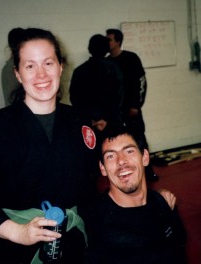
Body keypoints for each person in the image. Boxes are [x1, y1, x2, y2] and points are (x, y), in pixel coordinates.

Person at [0, 27, 98, 264]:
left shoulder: (78, 121)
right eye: (30, 66)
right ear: (18, 74)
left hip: (71, 244)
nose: (41, 74)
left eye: (48, 63)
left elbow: (94, 185)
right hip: (11, 248)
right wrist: (17, 232)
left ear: (60, 67)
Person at [83, 126, 187, 264]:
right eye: (111, 156)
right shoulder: (99, 222)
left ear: (144, 157)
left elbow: (179, 249)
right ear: (103, 168)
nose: (121, 161)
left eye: (129, 151)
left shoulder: (162, 202)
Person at [106, 28, 158, 181]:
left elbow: (141, 82)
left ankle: (148, 173)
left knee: (139, 141)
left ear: (118, 42)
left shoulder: (131, 58)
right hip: (116, 112)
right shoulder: (107, 62)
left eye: (109, 39)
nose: (107, 42)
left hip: (132, 110)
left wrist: (137, 105)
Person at [69, 34, 123, 132]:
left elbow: (74, 98)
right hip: (111, 122)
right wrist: (106, 118)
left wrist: (91, 119)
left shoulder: (79, 71)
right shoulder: (113, 68)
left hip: (88, 122)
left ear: (89, 49)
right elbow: (118, 96)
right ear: (107, 49)